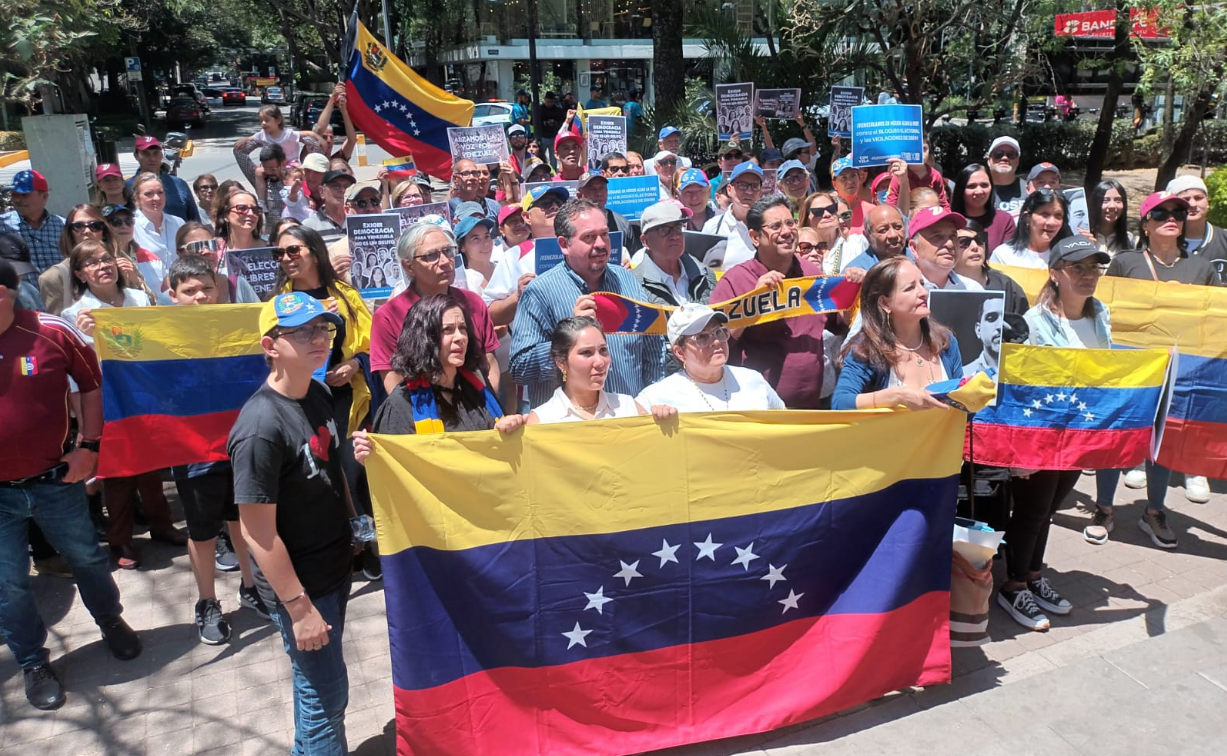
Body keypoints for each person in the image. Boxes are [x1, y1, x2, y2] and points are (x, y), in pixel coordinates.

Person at [0, 258, 142, 711]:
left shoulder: (51, 331)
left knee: (85, 557)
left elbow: (91, 383)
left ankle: (111, 622)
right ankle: (32, 661)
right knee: (9, 584)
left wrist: (90, 445)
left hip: (55, 480)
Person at [228, 292, 356, 755]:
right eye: (301, 332)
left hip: (335, 567)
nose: (318, 339)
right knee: (325, 699)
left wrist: (355, 521)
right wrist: (299, 610)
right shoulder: (259, 427)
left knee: (325, 692)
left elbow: (329, 465)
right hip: (301, 585)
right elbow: (256, 532)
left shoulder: (318, 391)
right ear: (270, 345)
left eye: (323, 328)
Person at [997, 236, 1114, 631]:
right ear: (1055, 274)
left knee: (1049, 510)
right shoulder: (1032, 323)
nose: (1087, 276)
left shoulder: (1102, 316)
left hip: (1079, 433)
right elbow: (1018, 385)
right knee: (1030, 511)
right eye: (1077, 268)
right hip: (1041, 435)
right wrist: (1018, 453)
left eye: (1094, 268)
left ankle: (1032, 575)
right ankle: (1012, 585)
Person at [60, 239, 188, 568]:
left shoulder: (138, 299)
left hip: (145, 395)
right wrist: (82, 418)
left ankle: (162, 526)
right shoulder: (74, 314)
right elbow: (75, 374)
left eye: (106, 259)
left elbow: (157, 346)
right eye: (92, 263)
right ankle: (121, 541)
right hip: (107, 401)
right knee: (117, 473)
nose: (103, 266)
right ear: (80, 274)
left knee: (152, 467)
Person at [164, 256, 268, 644]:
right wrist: (99, 333)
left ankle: (251, 587)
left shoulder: (238, 324)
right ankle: (207, 602)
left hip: (238, 442)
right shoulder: (160, 333)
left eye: (206, 288)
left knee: (242, 520)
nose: (200, 297)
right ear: (172, 294)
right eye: (189, 291)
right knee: (203, 530)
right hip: (192, 450)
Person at [1106, 191, 1221, 519]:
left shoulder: (1201, 269)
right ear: (1145, 225)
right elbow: (1107, 313)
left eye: (1178, 213)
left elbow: (1213, 322)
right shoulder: (1125, 262)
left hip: (1182, 371)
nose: (1171, 218)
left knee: (1165, 441)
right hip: (1133, 368)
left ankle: (1155, 511)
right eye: (1160, 214)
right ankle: (1104, 508)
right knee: (1119, 437)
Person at [510, 199, 664, 408]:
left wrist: (651, 400)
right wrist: (568, 337)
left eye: (604, 235)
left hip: (628, 420)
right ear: (564, 245)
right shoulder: (539, 293)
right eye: (589, 237)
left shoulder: (627, 280)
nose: (600, 244)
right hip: (571, 427)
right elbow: (520, 368)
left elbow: (653, 346)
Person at [355, 295, 525, 461]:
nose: (460, 337)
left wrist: (508, 428)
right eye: (448, 330)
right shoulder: (401, 405)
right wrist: (371, 456)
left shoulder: (478, 389)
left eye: (463, 328)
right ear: (426, 338)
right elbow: (394, 470)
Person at [710, 196, 828, 408]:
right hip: (758, 411)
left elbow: (839, 323)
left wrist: (852, 285)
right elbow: (714, 343)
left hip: (811, 409)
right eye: (775, 226)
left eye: (790, 223)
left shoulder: (812, 274)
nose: (786, 231)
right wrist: (753, 302)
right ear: (755, 237)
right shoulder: (735, 281)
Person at [371, 222, 500, 394]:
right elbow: (393, 383)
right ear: (409, 266)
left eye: (448, 251)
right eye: (432, 255)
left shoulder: (473, 303)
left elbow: (489, 365)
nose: (446, 261)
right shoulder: (387, 316)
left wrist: (483, 408)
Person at [274, 225, 372, 444]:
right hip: (298, 401)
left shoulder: (346, 294)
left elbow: (372, 343)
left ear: (316, 254)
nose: (286, 259)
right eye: (279, 254)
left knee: (349, 471)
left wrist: (354, 364)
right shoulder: (278, 302)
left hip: (344, 400)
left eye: (293, 251)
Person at [831, 256, 960, 410]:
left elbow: (962, 406)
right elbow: (840, 403)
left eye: (922, 283)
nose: (923, 292)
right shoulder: (867, 349)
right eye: (910, 288)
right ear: (885, 303)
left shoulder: (945, 342)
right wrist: (895, 397)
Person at [636, 304, 785, 412]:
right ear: (680, 352)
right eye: (701, 337)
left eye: (719, 332)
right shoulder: (658, 396)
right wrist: (655, 421)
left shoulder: (753, 380)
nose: (715, 341)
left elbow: (785, 427)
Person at [526, 317, 675, 423]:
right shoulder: (543, 419)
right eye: (586, 353)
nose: (599, 362)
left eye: (603, 350)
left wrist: (663, 422)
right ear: (561, 362)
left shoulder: (629, 407)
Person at [483, 185, 570, 326]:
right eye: (546, 203)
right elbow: (489, 313)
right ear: (527, 217)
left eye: (559, 203)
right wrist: (517, 296)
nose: (554, 207)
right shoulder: (513, 256)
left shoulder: (583, 246)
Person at [39, 204, 131, 314]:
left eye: (95, 226)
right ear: (70, 233)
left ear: (104, 232)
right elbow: (58, 328)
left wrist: (135, 280)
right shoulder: (54, 277)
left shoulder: (121, 260)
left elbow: (150, 304)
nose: (87, 231)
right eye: (78, 226)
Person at [633, 200, 717, 307]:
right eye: (663, 230)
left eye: (678, 228)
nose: (675, 236)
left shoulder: (705, 275)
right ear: (645, 241)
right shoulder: (634, 285)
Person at [954, 219, 1029, 314]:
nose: (975, 247)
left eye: (980, 239)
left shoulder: (1006, 286)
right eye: (964, 242)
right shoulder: (939, 284)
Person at [174, 223, 261, 304]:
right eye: (197, 246)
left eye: (211, 244)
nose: (207, 251)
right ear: (180, 253)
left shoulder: (237, 285)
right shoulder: (167, 298)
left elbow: (259, 317)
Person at [701, 161, 764, 271]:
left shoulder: (768, 227)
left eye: (754, 186)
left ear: (760, 193)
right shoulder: (713, 227)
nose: (749, 191)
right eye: (742, 185)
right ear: (730, 190)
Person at [0, 170, 65, 275]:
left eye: (24, 195)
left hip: (60, 291)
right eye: (14, 195)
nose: (17, 200)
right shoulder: (3, 226)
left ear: (44, 196)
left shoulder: (63, 227)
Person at [990, 189, 1072, 269]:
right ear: (1027, 218)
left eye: (1058, 216)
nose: (1052, 222)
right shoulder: (1003, 255)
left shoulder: (1069, 256)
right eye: (1044, 215)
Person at [908, 206, 984, 290]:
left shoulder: (972, 290)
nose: (950, 244)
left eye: (953, 236)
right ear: (914, 248)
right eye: (937, 237)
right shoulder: (899, 291)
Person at [127, 136, 200, 222]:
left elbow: (194, 220)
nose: (152, 158)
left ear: (162, 155)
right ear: (136, 156)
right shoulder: (127, 187)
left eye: (156, 153)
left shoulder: (179, 184)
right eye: (146, 154)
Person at [949, 164, 1017, 252]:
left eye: (984, 185)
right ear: (960, 190)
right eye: (971, 186)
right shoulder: (949, 220)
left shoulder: (1005, 220)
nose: (979, 191)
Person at [132, 172, 186, 267]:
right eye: (149, 194)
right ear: (137, 197)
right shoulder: (131, 226)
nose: (156, 198)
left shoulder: (178, 223)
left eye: (160, 192)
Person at [576, 170, 639, 253]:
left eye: (602, 188)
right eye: (592, 189)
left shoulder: (621, 223)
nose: (598, 193)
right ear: (579, 195)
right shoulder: (573, 223)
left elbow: (633, 256)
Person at [1167, 175, 1227, 260]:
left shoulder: (1224, 240)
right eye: (1185, 199)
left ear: (1207, 202)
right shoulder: (1159, 241)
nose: (1193, 204)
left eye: (1198, 198)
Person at [799, 192, 857, 273]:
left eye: (831, 209)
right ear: (807, 219)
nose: (827, 214)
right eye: (818, 211)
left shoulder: (857, 244)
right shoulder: (798, 250)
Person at [1087, 179, 1135, 256]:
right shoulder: (1084, 238)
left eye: (1118, 200)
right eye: (1105, 200)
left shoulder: (1131, 241)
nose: (1112, 206)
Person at [961, 295, 1005, 376]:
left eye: (1005, 318)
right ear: (978, 330)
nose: (1000, 326)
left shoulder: (1021, 374)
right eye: (991, 318)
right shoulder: (964, 374)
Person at [984, 136, 1026, 218]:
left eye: (1011, 155)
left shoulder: (1029, 190)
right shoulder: (978, 191)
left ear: (1017, 161)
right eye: (998, 154)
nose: (1004, 158)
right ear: (989, 161)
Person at [831, 157, 875, 235]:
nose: (850, 182)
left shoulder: (872, 211)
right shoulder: (827, 213)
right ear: (834, 184)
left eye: (853, 175)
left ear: (859, 178)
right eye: (843, 178)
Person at [303, 170, 355, 236]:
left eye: (347, 186)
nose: (342, 190)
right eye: (335, 186)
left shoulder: (358, 223)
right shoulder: (309, 226)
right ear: (322, 191)